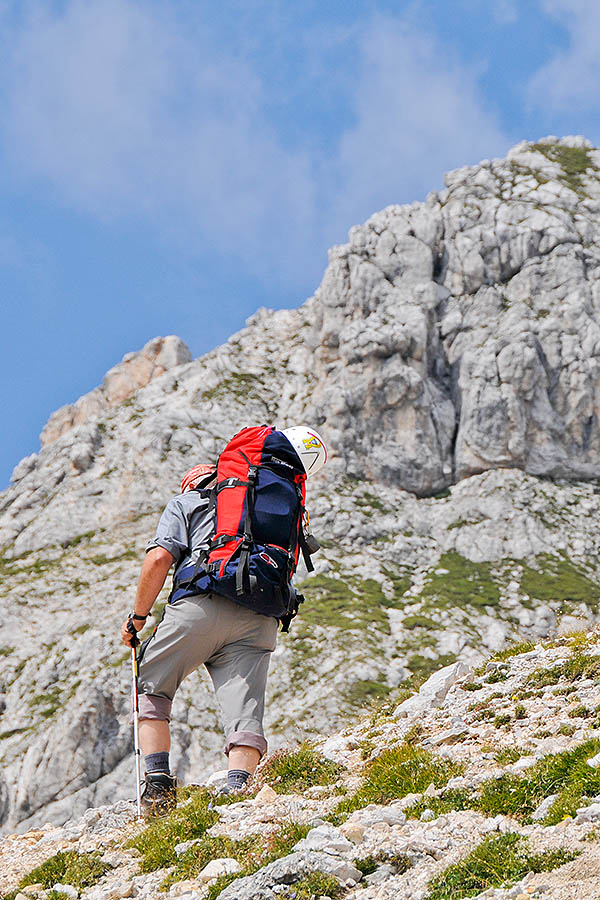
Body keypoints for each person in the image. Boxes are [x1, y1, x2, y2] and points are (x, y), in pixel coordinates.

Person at [120, 426, 327, 812]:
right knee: (245, 710)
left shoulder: (186, 504)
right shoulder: (268, 501)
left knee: (151, 685)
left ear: (191, 485)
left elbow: (159, 559)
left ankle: (159, 785)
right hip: (261, 614)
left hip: (202, 605)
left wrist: (137, 619)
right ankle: (238, 792)